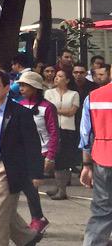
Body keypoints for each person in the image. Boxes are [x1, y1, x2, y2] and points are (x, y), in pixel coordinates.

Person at [0, 69, 44, 246]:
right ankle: (27, 238)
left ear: (6, 88)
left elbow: (32, 144)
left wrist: (36, 173)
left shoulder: (20, 113)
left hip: (9, 166)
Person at [15, 71, 57, 234]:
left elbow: (54, 133)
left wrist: (50, 156)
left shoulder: (47, 107)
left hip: (41, 152)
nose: (21, 88)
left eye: (25, 85)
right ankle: (38, 218)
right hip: (22, 152)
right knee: (26, 187)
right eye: (20, 85)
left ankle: (38, 218)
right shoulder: (19, 104)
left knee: (31, 187)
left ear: (35, 87)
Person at [81, 79, 112, 245]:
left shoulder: (94, 97)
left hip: (103, 157)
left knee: (102, 209)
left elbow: (85, 133)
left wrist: (86, 165)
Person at [45, 68, 80, 200]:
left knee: (64, 160)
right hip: (53, 129)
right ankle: (58, 186)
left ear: (67, 80)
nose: (56, 78)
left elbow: (72, 112)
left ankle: (62, 189)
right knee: (55, 158)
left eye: (60, 76)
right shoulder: (49, 92)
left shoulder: (74, 94)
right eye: (56, 75)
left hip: (68, 130)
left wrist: (55, 110)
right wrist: (60, 110)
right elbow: (47, 109)